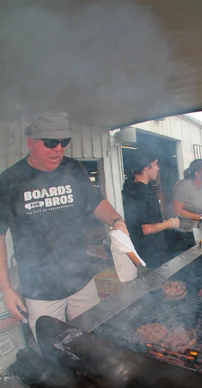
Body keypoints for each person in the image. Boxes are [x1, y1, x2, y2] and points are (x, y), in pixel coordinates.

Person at [0, 112, 128, 337]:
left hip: (81, 279)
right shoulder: (10, 180)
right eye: (50, 142)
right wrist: (7, 290)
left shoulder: (74, 169)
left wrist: (116, 220)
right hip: (41, 290)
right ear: (31, 143)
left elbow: (95, 202)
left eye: (64, 142)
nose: (58, 148)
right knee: (53, 350)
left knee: (94, 339)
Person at [122, 150, 179, 268]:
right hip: (152, 252)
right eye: (155, 164)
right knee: (159, 283)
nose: (158, 168)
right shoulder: (144, 191)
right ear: (146, 166)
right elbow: (146, 229)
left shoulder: (129, 187)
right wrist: (171, 223)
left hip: (139, 247)